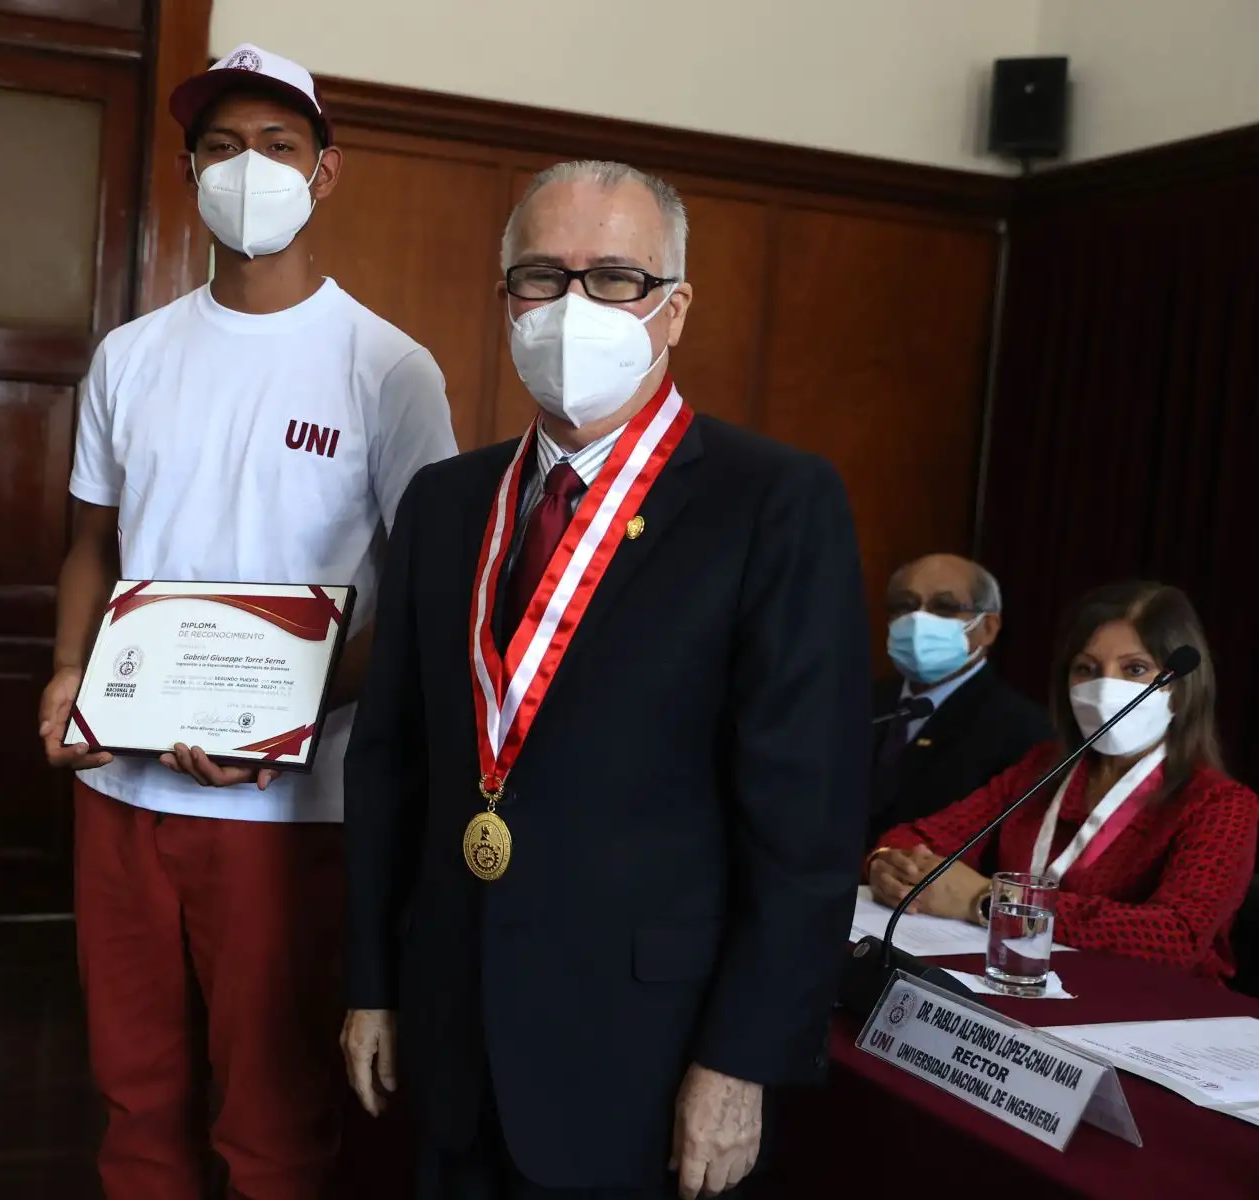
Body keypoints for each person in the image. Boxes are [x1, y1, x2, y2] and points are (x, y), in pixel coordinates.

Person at [342, 161, 871, 1199]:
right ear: (506, 302)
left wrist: (743, 1061)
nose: (573, 305)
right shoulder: (449, 504)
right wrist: (371, 983)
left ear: (674, 310)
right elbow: (391, 762)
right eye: (542, 276)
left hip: (648, 1055)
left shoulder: (775, 503)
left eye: (616, 277)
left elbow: (804, 823)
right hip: (452, 1028)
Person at [35, 45, 457, 1200]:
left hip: (290, 803)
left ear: (326, 174)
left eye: (277, 147)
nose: (247, 168)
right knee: (135, 1096)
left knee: (272, 1111)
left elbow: (428, 601)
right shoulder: (132, 354)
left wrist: (275, 712)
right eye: (222, 148)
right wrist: (69, 671)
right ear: (187, 171)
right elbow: (91, 545)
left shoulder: (389, 369)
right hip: (121, 788)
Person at [869, 581, 1258, 983]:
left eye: (1135, 669)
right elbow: (920, 835)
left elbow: (1176, 937)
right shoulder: (1043, 766)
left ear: (1179, 687)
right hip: (1022, 981)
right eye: (1086, 669)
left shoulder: (1221, 804)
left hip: (1149, 1010)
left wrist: (990, 901)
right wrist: (888, 863)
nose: (1106, 686)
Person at [870, 553, 1050, 842]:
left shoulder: (1023, 730)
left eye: (944, 607)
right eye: (905, 606)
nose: (918, 620)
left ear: (988, 627)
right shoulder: (859, 703)